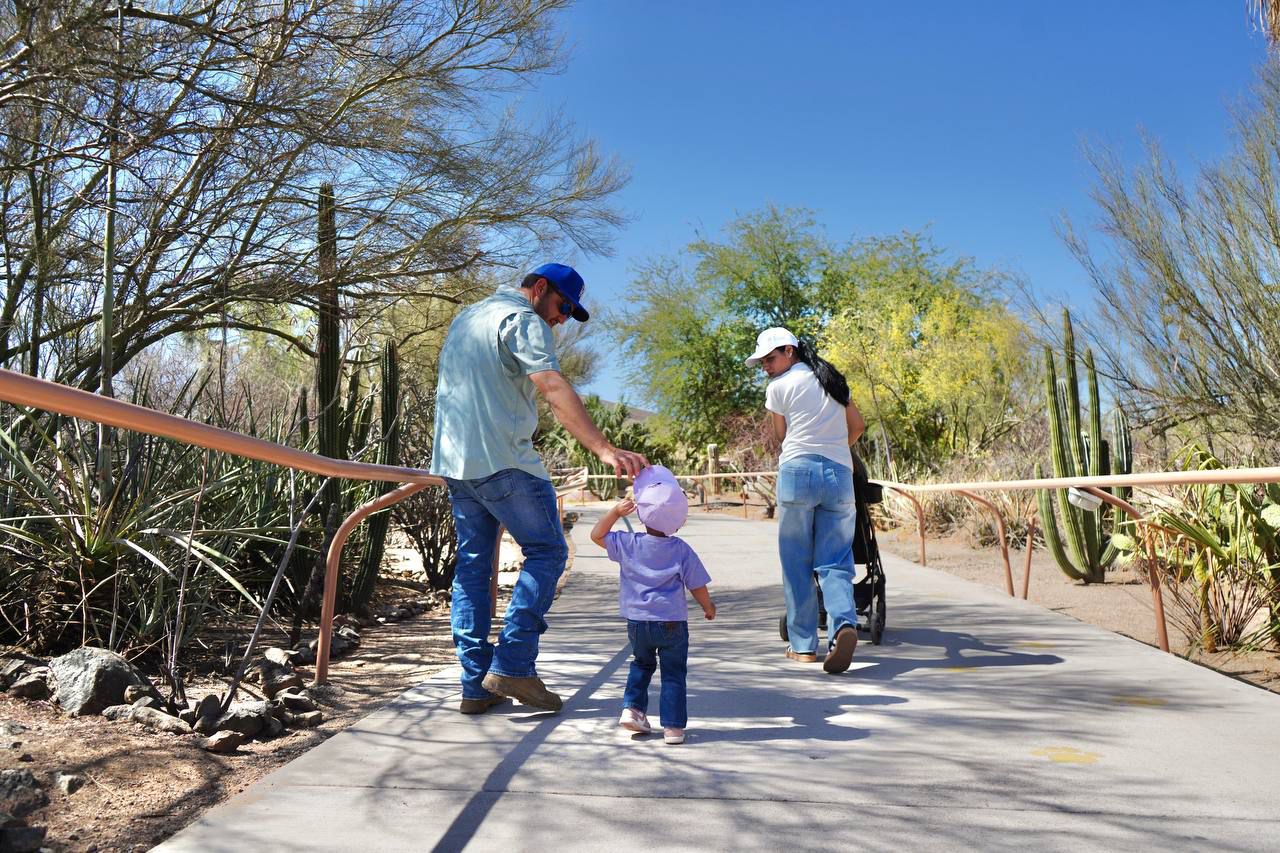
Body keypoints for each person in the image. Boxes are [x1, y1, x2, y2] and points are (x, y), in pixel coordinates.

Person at [431, 263, 648, 715]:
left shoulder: (468, 317)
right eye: (563, 306)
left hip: (457, 465)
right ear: (541, 288)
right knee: (548, 552)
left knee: (472, 571)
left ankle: (475, 684)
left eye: (569, 313)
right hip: (506, 464)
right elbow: (550, 384)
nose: (562, 318)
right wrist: (603, 448)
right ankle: (513, 663)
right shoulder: (522, 319)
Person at [746, 327, 866, 674]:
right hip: (839, 474)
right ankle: (843, 624)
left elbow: (781, 437)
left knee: (796, 561)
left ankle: (802, 647)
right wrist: (835, 448)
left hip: (798, 472)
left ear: (789, 351)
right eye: (762, 362)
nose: (765, 367)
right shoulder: (831, 379)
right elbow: (857, 425)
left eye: (770, 358)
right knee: (836, 560)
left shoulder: (779, 388)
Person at [590, 465, 715, 745]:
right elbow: (696, 583)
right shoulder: (681, 549)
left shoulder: (628, 543)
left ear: (641, 513)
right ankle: (673, 728)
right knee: (673, 673)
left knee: (641, 665)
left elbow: (597, 536)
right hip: (672, 623)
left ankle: (633, 710)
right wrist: (707, 606)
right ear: (679, 520)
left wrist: (614, 513)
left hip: (637, 623)